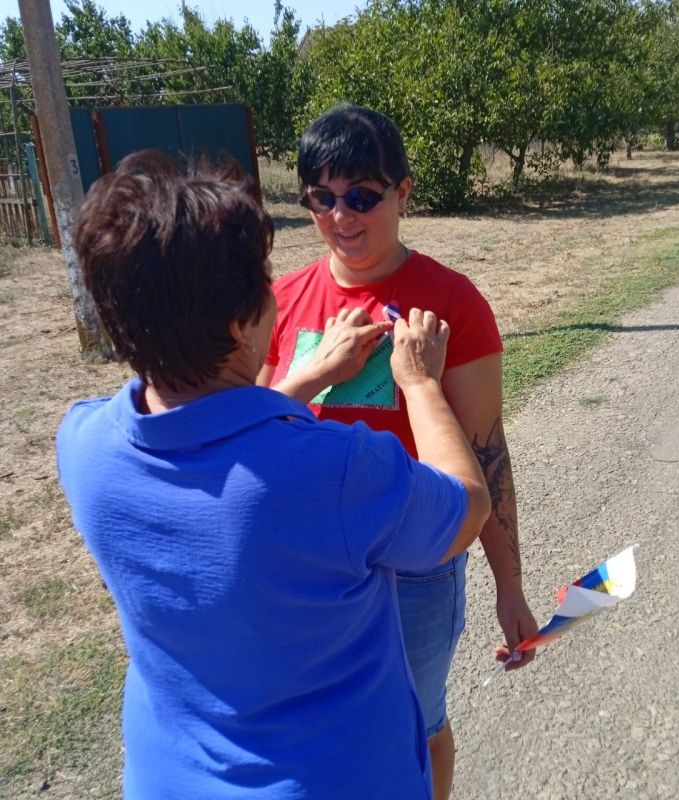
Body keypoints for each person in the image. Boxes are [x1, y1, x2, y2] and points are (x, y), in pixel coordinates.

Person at [56, 150, 491, 799]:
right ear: (243, 320)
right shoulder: (334, 468)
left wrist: (309, 375)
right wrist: (421, 384)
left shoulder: (83, 442)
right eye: (263, 279)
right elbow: (464, 506)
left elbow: (220, 438)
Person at [258, 105, 539, 799]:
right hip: (311, 569)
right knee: (320, 730)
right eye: (321, 198)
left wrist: (509, 586)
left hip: (417, 572)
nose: (340, 216)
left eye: (362, 196)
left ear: (404, 192)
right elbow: (252, 433)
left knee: (415, 720)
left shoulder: (453, 303)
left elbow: (485, 453)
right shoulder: (281, 301)